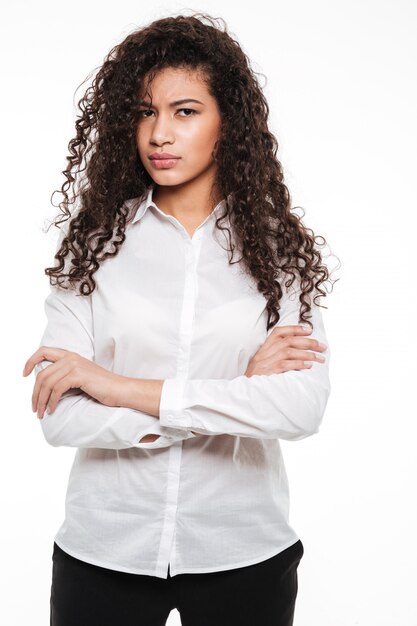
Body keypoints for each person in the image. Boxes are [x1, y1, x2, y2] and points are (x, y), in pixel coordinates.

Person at [22, 12, 333, 626]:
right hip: (103, 549)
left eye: (185, 111)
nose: (160, 134)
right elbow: (60, 416)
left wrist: (116, 386)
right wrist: (234, 395)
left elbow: (300, 408)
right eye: (145, 112)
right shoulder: (94, 250)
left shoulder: (279, 255)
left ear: (228, 123)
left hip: (242, 551)